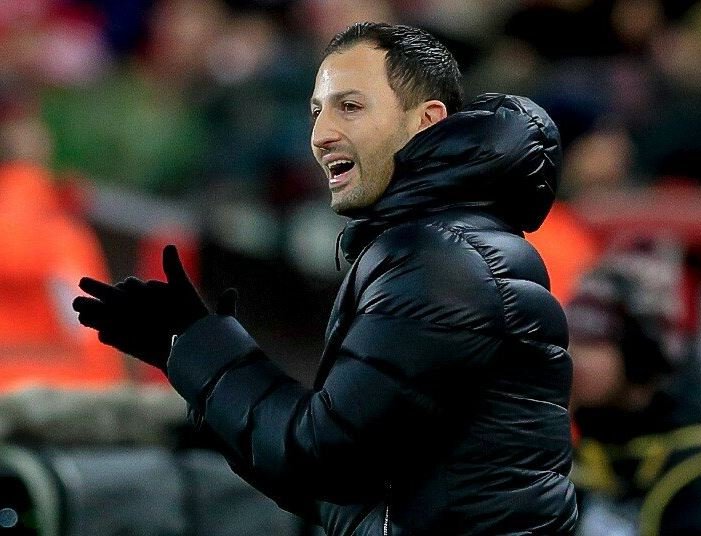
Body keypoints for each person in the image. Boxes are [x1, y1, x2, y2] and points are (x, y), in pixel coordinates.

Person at [73, 22, 577, 535]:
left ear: (426, 122)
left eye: (350, 107)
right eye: (317, 112)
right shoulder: (444, 246)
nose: (320, 136)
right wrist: (185, 351)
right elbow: (345, 493)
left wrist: (206, 351)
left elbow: (320, 457)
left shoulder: (439, 259)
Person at [567, 249, 701, 536]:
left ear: (640, 352)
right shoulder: (589, 436)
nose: (576, 357)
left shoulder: (699, 464)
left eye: (595, 341)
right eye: (573, 338)